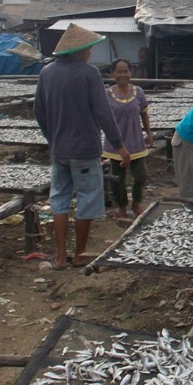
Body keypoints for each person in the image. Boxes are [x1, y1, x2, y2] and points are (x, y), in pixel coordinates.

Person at [35, 24, 131, 270]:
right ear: (78, 51)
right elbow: (103, 112)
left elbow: (39, 112)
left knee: (59, 201)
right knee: (87, 199)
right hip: (85, 150)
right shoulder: (89, 74)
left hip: (59, 151)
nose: (90, 53)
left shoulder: (46, 72)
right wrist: (119, 145)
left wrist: (52, 139)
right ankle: (77, 255)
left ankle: (59, 257)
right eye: (88, 49)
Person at [102, 58, 153, 218]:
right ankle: (121, 206)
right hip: (115, 144)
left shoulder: (139, 92)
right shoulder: (106, 94)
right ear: (112, 74)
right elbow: (101, 117)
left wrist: (149, 133)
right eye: (119, 71)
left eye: (126, 71)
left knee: (141, 175)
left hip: (136, 141)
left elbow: (144, 113)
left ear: (130, 73)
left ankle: (136, 203)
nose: (123, 75)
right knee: (118, 178)